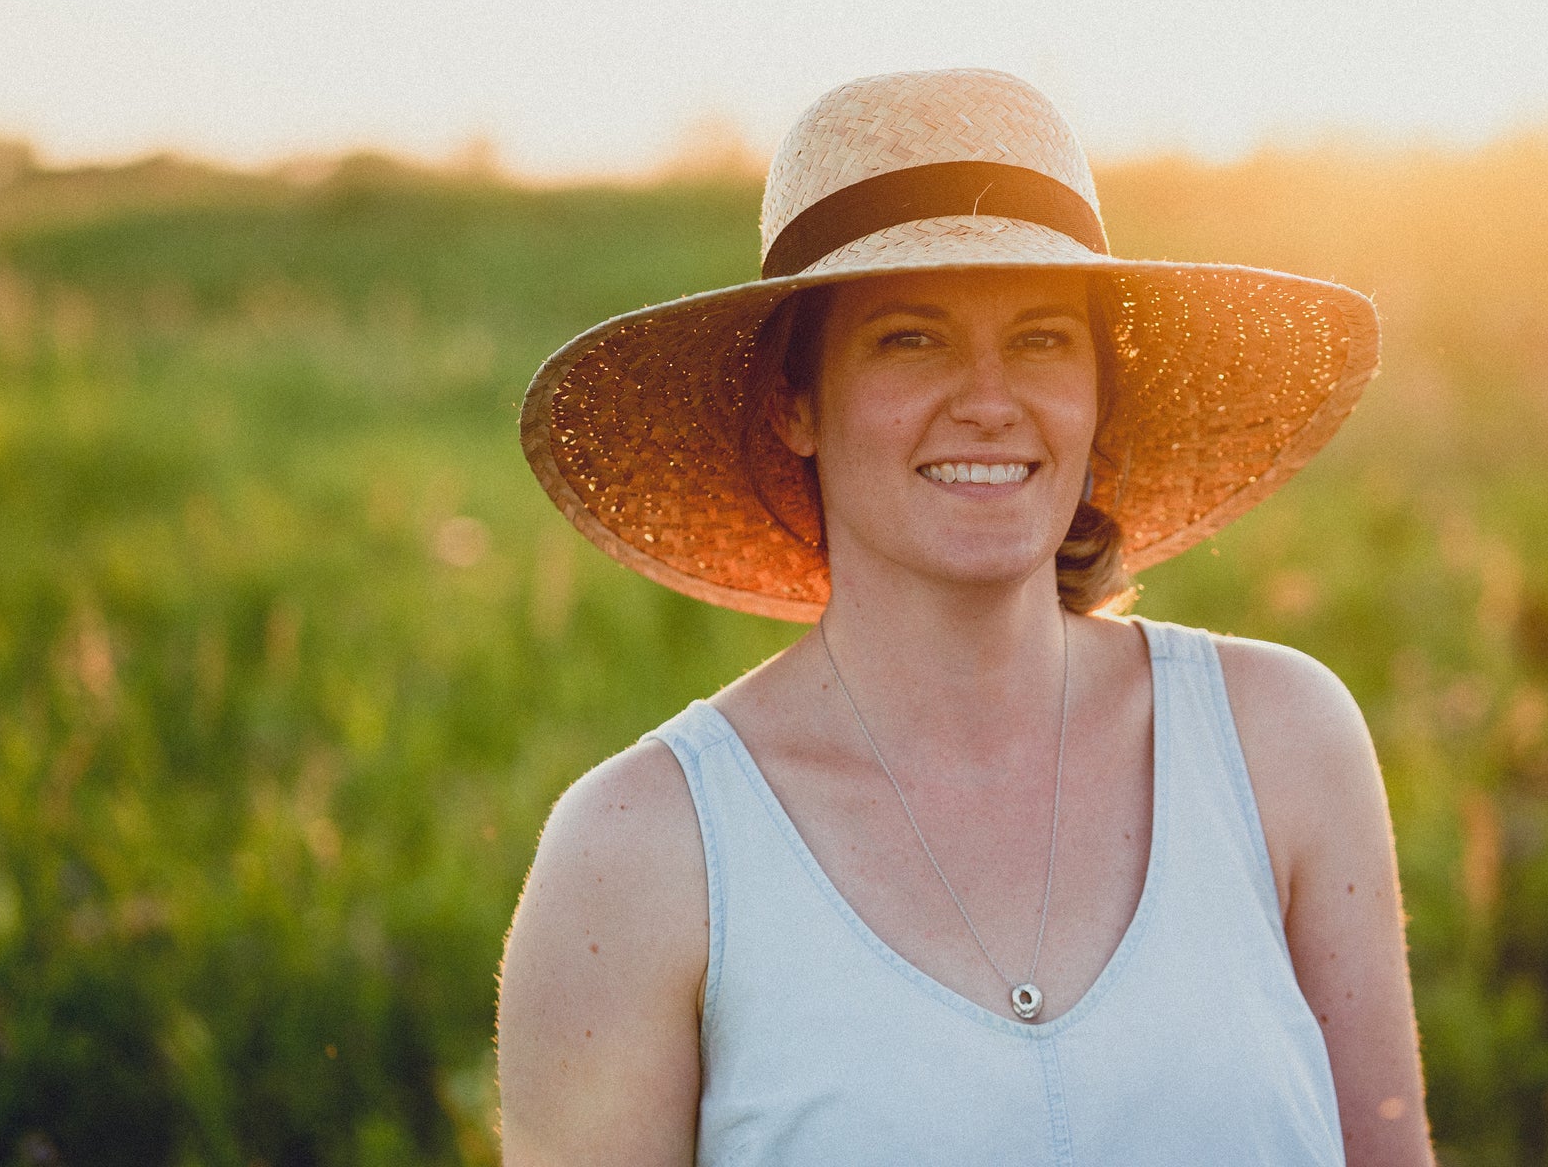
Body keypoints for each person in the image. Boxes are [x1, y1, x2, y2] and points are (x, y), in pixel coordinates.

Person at [497, 68, 1432, 1166]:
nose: (989, 399)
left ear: (1098, 391)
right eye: (911, 338)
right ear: (793, 401)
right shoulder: (639, 853)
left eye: (1040, 338)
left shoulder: (1279, 742)